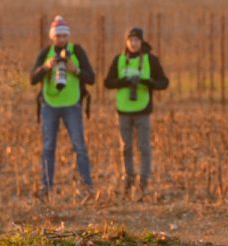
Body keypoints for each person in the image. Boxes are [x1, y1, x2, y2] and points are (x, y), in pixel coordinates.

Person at [29, 15, 95, 197]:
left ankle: (87, 187)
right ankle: (46, 187)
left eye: (64, 36)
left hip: (72, 105)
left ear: (68, 36)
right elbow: (32, 79)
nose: (61, 39)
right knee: (48, 147)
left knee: (79, 146)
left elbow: (92, 78)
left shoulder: (77, 52)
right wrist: (46, 68)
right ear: (52, 36)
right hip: (50, 105)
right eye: (57, 36)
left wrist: (76, 70)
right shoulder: (45, 53)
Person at [104, 28, 169, 193]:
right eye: (130, 40)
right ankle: (128, 177)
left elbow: (164, 82)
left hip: (143, 109)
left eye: (136, 40)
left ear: (141, 42)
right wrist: (125, 82)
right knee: (125, 147)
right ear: (126, 42)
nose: (133, 43)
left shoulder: (151, 60)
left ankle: (144, 180)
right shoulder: (118, 60)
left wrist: (146, 83)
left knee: (143, 146)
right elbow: (108, 82)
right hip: (123, 109)